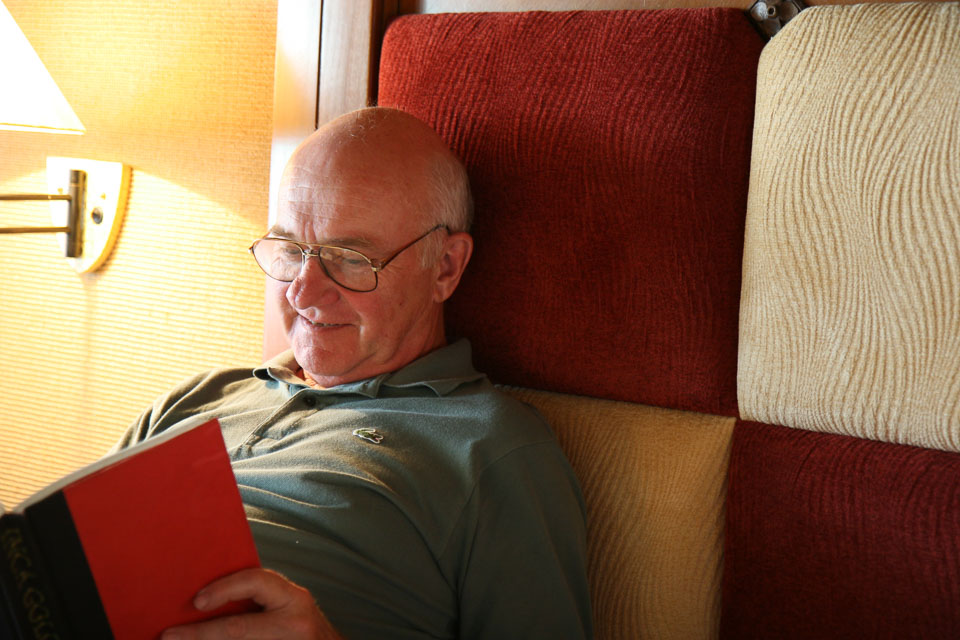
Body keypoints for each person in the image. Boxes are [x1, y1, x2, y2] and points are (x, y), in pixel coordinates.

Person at [115, 107, 592, 639]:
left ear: (445, 267)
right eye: (291, 251)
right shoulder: (198, 397)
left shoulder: (490, 447)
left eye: (348, 258)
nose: (302, 293)